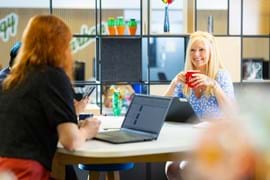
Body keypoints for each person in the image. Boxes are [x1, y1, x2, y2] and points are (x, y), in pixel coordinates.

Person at [0, 15, 101, 180]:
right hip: (26, 173)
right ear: (59, 46)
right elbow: (71, 142)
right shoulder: (53, 75)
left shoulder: (13, 77)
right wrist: (86, 131)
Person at [163, 31, 235, 180]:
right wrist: (173, 83)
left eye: (202, 50)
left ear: (211, 52)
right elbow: (163, 107)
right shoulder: (185, 79)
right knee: (171, 168)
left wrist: (214, 86)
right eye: (192, 50)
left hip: (216, 140)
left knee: (187, 167)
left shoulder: (221, 76)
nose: (197, 54)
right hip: (189, 139)